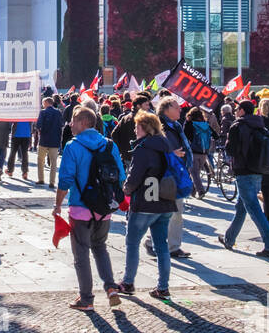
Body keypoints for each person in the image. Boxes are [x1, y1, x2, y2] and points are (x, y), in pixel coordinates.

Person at [55, 105, 125, 310]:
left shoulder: (72, 146)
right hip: (104, 207)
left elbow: (65, 179)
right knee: (101, 247)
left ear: (84, 123)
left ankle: (86, 299)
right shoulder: (110, 145)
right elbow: (120, 176)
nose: (70, 123)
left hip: (80, 207)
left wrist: (57, 204)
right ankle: (111, 287)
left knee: (81, 254)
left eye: (74, 120)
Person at [119, 110, 175, 299]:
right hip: (166, 201)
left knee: (132, 243)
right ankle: (163, 286)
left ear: (144, 128)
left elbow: (134, 177)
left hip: (145, 202)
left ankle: (128, 282)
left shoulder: (143, 148)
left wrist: (125, 190)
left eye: (137, 126)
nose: (135, 130)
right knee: (162, 245)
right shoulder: (166, 145)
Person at [220, 99, 269, 257]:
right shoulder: (259, 124)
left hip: (243, 170)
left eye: (237, 108)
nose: (235, 111)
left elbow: (230, 149)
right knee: (241, 207)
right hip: (257, 170)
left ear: (242, 111)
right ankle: (229, 238)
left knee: (253, 208)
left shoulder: (237, 125)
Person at [151, 96, 194, 259]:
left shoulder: (175, 126)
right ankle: (169, 246)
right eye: (177, 107)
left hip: (176, 173)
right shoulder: (158, 126)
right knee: (169, 211)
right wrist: (170, 154)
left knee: (172, 211)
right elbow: (150, 147)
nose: (180, 109)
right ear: (167, 108)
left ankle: (167, 244)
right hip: (165, 174)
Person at [35, 96, 65, 188]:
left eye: (43, 103)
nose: (43, 105)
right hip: (55, 140)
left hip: (44, 140)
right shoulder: (58, 112)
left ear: (47, 103)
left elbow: (38, 125)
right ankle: (52, 182)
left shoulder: (43, 112)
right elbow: (62, 124)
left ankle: (41, 179)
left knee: (40, 160)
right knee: (53, 162)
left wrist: (40, 132)